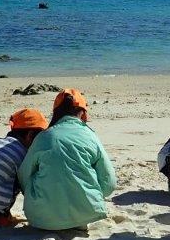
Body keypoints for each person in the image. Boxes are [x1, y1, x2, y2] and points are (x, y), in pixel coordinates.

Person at [18, 89, 116, 232]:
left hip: (41, 219)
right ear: (83, 113)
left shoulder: (44, 137)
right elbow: (109, 183)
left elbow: (24, 176)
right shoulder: (90, 136)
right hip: (86, 213)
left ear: (56, 113)